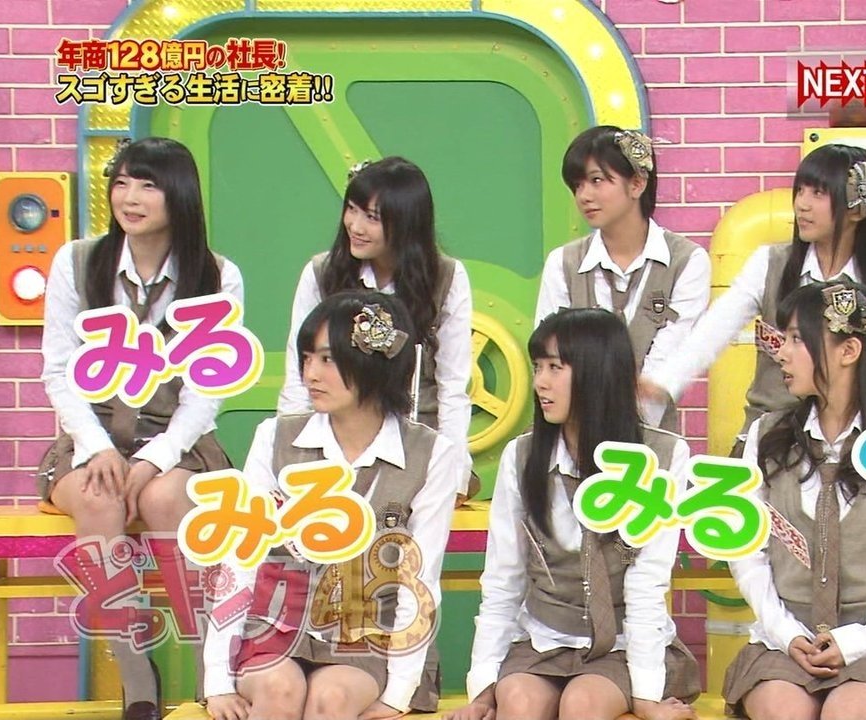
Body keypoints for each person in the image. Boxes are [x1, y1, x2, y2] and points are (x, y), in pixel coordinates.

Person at [38, 136, 243, 720]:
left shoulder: (217, 275)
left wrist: (157, 457)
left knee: (166, 498)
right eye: (122, 182)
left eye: (148, 184)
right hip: (91, 434)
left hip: (176, 440)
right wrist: (97, 447)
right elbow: (58, 371)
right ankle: (138, 681)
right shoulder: (78, 262)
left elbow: (207, 390)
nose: (129, 198)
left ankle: (213, 674)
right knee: (99, 500)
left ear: (179, 195)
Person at [203, 291, 466, 720]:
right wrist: (216, 679)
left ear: (373, 364)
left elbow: (418, 579)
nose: (311, 374)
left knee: (331, 700)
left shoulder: (430, 453)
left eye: (328, 359)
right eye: (307, 358)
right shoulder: (276, 438)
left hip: (367, 634)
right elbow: (240, 558)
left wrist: (398, 692)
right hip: (275, 624)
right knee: (279, 691)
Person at [721, 280, 866, 720]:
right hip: (789, 639)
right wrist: (785, 632)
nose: (781, 353)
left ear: (848, 351)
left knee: (847, 714)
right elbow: (747, 551)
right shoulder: (767, 436)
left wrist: (860, 640)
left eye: (797, 339)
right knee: (785, 713)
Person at [451, 308, 701, 720]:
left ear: (597, 373)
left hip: (619, 644)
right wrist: (481, 690)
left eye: (555, 368)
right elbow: (503, 579)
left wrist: (646, 695)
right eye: (537, 367)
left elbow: (647, 582)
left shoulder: (661, 456)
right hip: (542, 639)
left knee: (582, 704)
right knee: (519, 703)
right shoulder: (522, 456)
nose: (540, 382)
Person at [641, 144, 866, 455]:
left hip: (852, 449)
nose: (802, 205)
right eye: (800, 191)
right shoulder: (770, 264)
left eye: (818, 193)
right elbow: (714, 329)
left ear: (858, 208)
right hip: (767, 441)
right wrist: (663, 381)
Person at [277, 156, 475, 501]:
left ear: (407, 222)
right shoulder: (323, 273)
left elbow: (453, 385)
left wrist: (452, 470)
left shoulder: (445, 277)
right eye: (351, 210)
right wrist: (291, 452)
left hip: (415, 438)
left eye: (372, 217)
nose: (355, 226)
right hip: (334, 439)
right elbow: (298, 376)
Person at [535, 126, 710, 430]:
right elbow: (548, 356)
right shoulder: (563, 264)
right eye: (577, 185)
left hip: (649, 438)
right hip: (570, 434)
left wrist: (625, 431)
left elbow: (665, 365)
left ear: (637, 183)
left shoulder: (686, 262)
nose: (584, 196)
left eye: (596, 181)